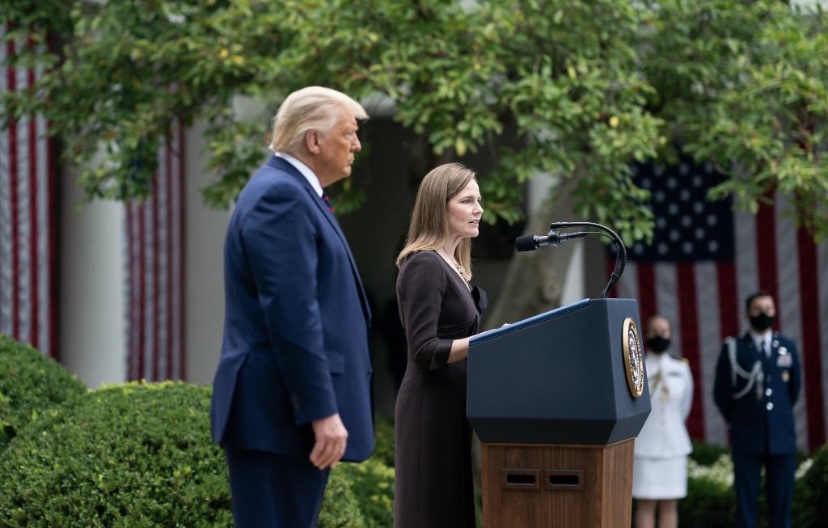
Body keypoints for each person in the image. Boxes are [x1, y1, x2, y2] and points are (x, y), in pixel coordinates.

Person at [209, 86, 374, 528]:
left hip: (282, 418)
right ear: (313, 141)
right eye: (348, 133)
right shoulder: (279, 197)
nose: (356, 144)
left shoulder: (292, 193)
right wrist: (322, 411)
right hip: (278, 418)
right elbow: (292, 315)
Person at [393, 163, 488, 528]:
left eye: (478, 200)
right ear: (438, 206)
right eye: (467, 200)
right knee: (431, 514)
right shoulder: (425, 265)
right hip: (429, 410)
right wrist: (487, 342)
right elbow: (423, 350)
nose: (479, 208)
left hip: (452, 408)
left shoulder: (455, 267)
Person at [713, 291, 801, 528]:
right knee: (746, 503)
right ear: (747, 313)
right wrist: (741, 419)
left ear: (775, 312)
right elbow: (721, 394)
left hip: (781, 437)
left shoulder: (787, 347)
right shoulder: (734, 348)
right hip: (747, 436)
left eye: (768, 309)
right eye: (758, 309)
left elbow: (793, 390)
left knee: (781, 503)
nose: (763, 313)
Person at [632, 315, 694, 528]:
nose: (660, 336)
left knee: (670, 503)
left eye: (664, 332)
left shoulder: (681, 368)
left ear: (671, 335)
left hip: (673, 445)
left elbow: (684, 405)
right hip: (644, 445)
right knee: (646, 502)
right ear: (646, 335)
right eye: (655, 332)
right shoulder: (636, 367)